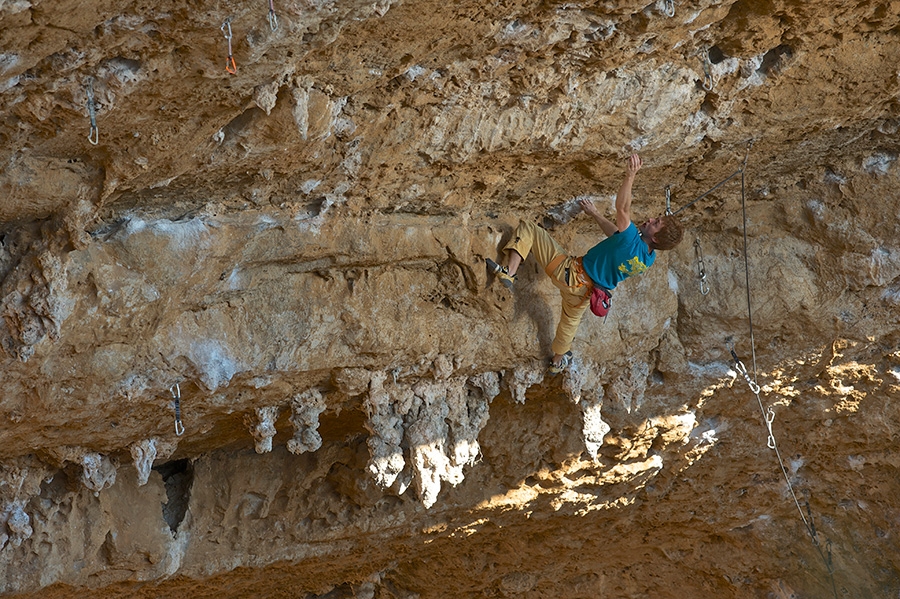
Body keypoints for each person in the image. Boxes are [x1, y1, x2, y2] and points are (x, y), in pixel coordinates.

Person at [486, 154, 683, 374]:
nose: (650, 220)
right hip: (586, 293)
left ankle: (509, 272)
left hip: (569, 272)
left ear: (655, 238)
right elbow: (616, 236)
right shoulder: (648, 257)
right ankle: (557, 361)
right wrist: (595, 214)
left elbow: (622, 209)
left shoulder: (631, 240)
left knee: (529, 229)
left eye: (655, 224)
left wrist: (630, 175)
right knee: (568, 325)